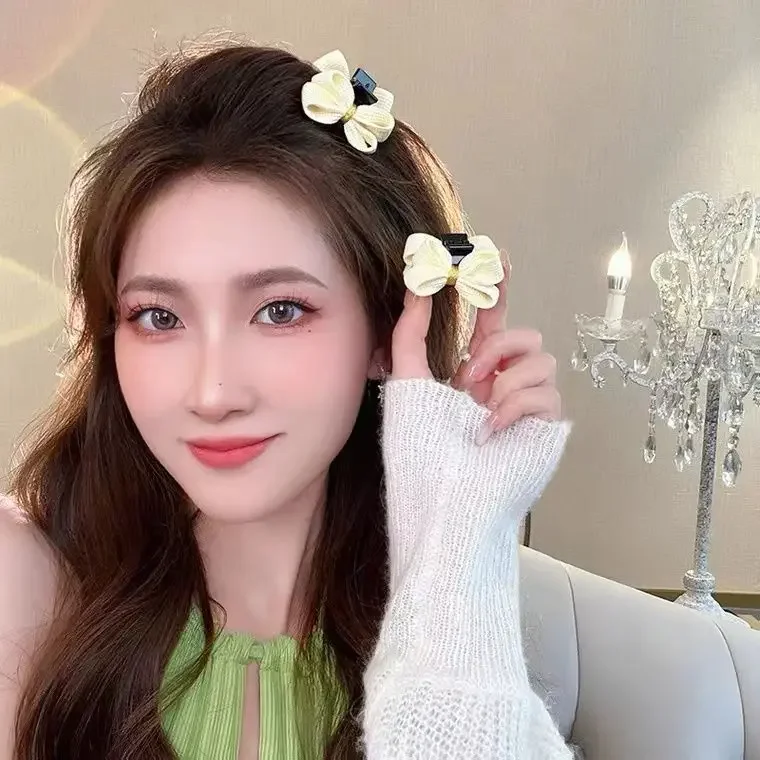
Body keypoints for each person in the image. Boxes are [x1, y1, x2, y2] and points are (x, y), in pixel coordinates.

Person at [0, 38, 572, 760]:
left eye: (280, 311)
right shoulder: (28, 584)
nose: (213, 394)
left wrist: (459, 521)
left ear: (386, 332)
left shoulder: (444, 617)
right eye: (159, 317)